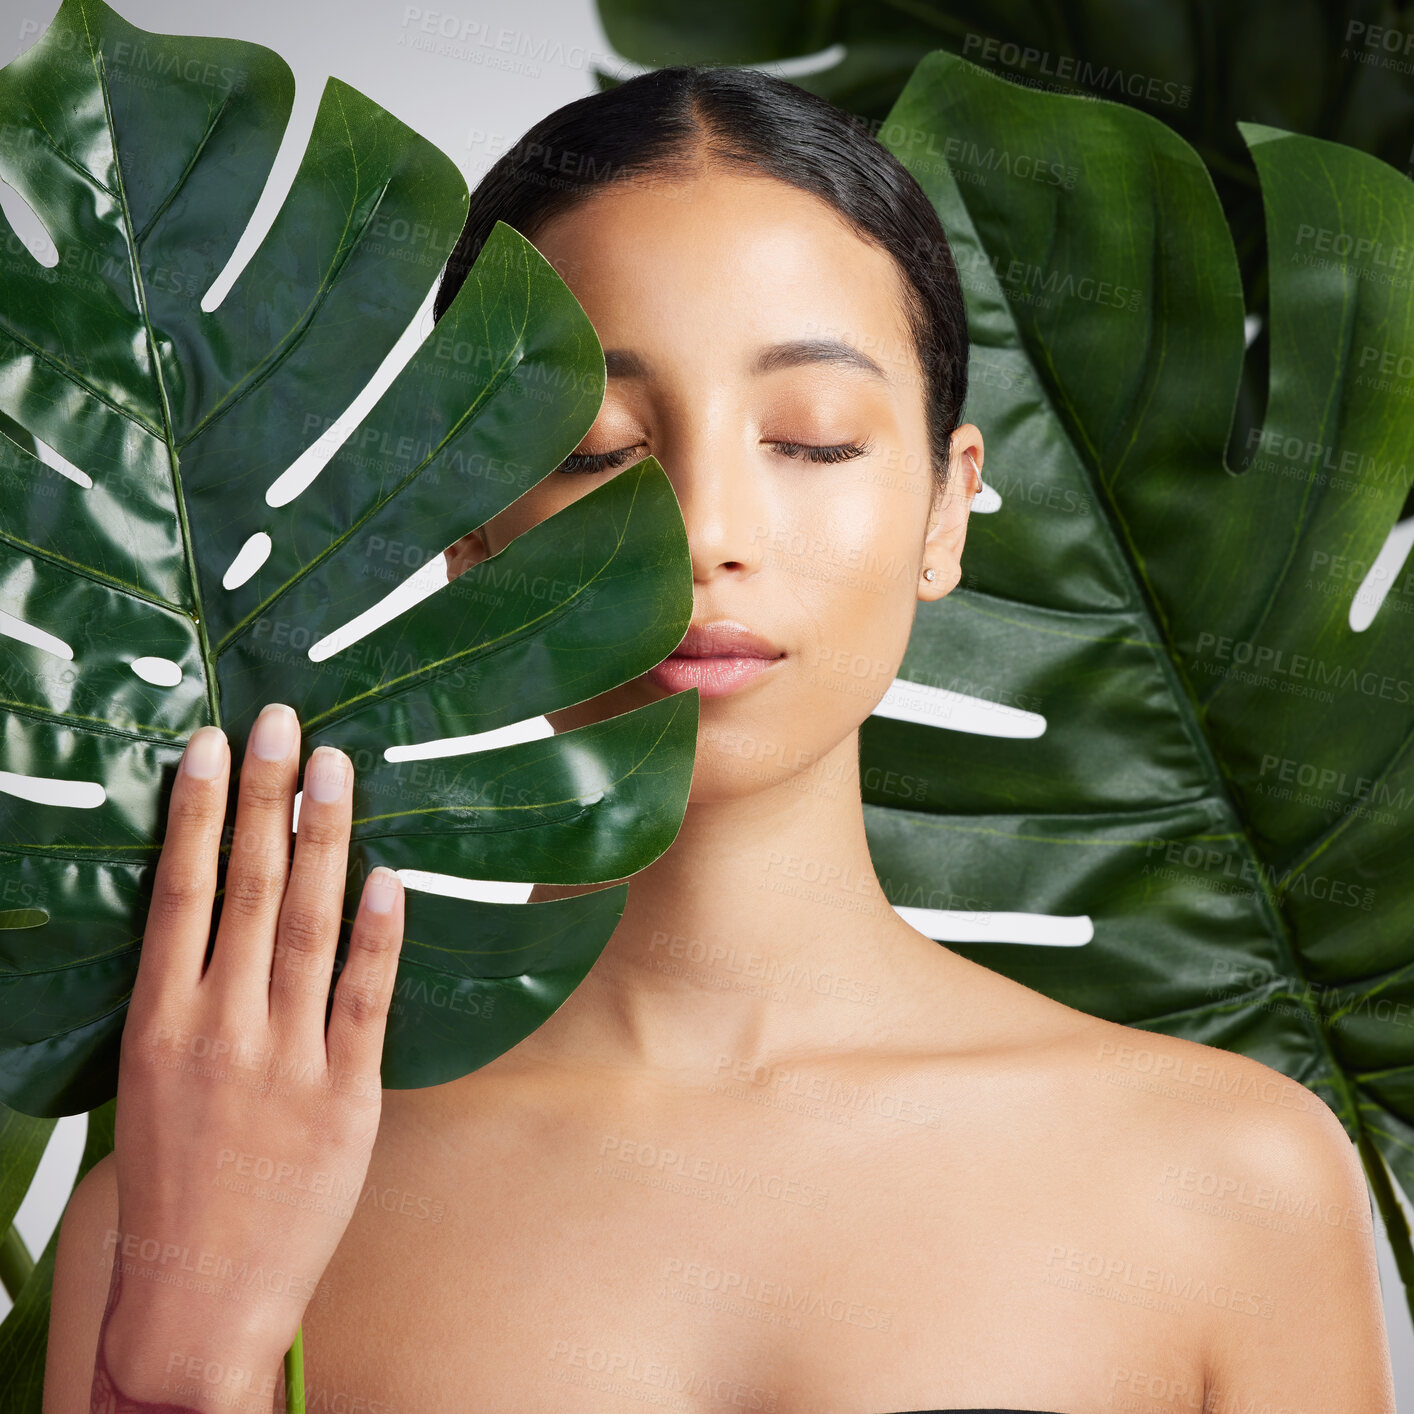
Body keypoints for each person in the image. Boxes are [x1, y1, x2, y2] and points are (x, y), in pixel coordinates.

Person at [44, 64, 1392, 1414]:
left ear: (943, 508)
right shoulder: (195, 1198)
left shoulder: (1232, 1178)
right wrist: (186, 1345)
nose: (701, 533)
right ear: (469, 525)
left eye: (809, 440)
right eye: (596, 446)